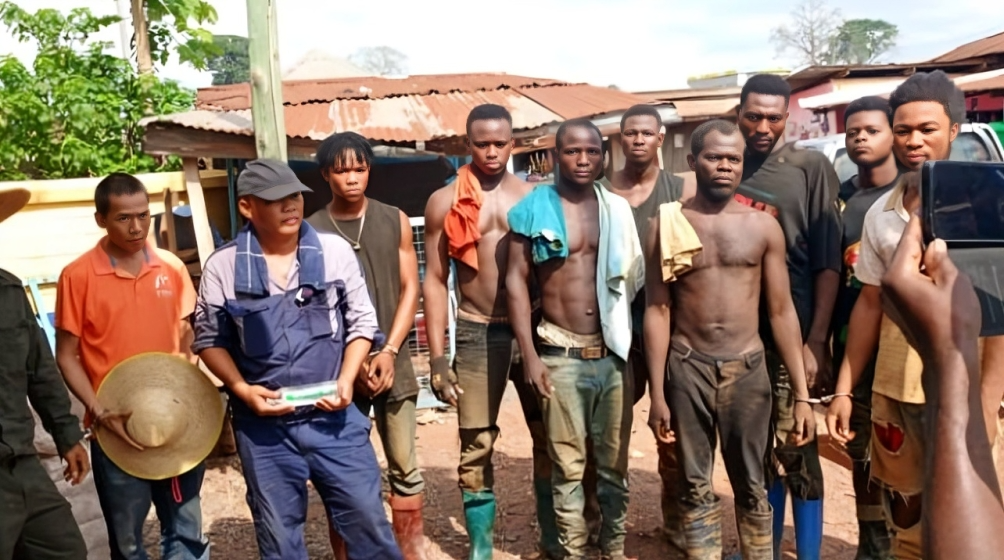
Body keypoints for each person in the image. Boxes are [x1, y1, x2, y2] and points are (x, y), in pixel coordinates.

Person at [825, 71, 1004, 559]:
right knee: (905, 513)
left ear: (955, 130)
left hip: (967, 382)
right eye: (902, 130)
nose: (913, 141)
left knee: (973, 501)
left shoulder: (989, 205)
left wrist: (987, 399)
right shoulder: (881, 213)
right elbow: (869, 300)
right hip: (896, 388)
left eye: (927, 128)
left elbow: (999, 310)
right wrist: (844, 387)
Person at [192, 159, 402, 560]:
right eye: (277, 200)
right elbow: (209, 341)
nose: (291, 206)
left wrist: (346, 378)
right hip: (264, 430)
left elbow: (361, 323)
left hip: (334, 419)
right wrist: (240, 389)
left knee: (367, 520)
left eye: (295, 197)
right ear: (248, 207)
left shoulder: (334, 252)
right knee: (279, 537)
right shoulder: (223, 266)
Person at [644, 119, 815, 560]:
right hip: (688, 367)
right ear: (692, 161)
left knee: (754, 483)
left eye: (733, 159)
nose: (724, 166)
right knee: (695, 483)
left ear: (743, 166)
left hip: (748, 370)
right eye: (714, 157)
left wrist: (801, 395)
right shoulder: (667, 225)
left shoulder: (763, 228)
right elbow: (658, 309)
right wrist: (658, 395)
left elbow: (781, 312)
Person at [422, 104, 557, 559]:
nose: (492, 151)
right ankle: (481, 546)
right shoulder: (445, 202)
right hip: (478, 330)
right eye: (482, 143)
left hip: (534, 330)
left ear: (513, 144)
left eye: (501, 143)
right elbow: (435, 281)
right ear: (468, 145)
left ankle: (552, 536)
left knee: (549, 435)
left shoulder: (536, 198)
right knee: (475, 443)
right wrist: (439, 359)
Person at [506, 118, 643, 560]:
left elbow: (634, 281)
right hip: (560, 354)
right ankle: (573, 552)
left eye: (591, 152)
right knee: (567, 468)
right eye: (572, 151)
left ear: (603, 155)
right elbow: (515, 281)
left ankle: (614, 548)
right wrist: (529, 355)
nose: (583, 160)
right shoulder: (532, 209)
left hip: (612, 353)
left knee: (614, 468)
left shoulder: (616, 209)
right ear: (554, 156)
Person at [55, 174, 210, 560]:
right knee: (127, 542)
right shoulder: (78, 276)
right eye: (124, 218)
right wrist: (99, 410)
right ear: (100, 219)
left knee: (186, 532)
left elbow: (186, 330)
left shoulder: (170, 268)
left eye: (143, 215)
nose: (137, 226)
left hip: (174, 423)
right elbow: (66, 355)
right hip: (114, 425)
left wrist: (183, 387)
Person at [733, 74, 842, 560]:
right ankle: (767, 550)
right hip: (737, 340)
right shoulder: (727, 165)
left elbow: (827, 260)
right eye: (753, 115)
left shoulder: (809, 167)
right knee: (753, 454)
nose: (763, 126)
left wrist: (816, 340)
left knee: (797, 447)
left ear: (786, 117)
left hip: (791, 333)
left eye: (774, 117)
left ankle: (811, 553)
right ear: (739, 112)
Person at [306, 132, 425, 560]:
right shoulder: (311, 230)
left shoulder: (394, 218)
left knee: (404, 466)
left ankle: (410, 550)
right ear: (326, 175)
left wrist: (390, 351)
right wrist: (351, 364)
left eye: (359, 169)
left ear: (369, 171)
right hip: (338, 368)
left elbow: (412, 286)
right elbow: (313, 308)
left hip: (395, 361)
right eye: (341, 171)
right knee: (342, 475)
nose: (352, 178)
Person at [878, 215, 1004, 560]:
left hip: (961, 398)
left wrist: (949, 359)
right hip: (908, 395)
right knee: (906, 505)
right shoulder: (881, 214)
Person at [602, 104, 690, 552]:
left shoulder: (680, 190)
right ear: (619, 138)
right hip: (608, 329)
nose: (637, 139)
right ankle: (604, 525)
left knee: (671, 431)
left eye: (646, 133)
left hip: (668, 325)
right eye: (629, 133)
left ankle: (676, 522)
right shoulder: (597, 192)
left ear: (660, 138)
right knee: (606, 432)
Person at [826, 96, 900, 560]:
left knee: (904, 454)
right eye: (853, 131)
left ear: (892, 134)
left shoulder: (908, 196)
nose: (860, 138)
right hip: (852, 343)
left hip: (902, 349)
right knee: (861, 454)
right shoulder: (840, 198)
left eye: (871, 130)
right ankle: (871, 546)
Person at [1, 185, 90, 560]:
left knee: (64, 549)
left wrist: (67, 435)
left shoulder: (7, 290)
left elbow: (40, 371)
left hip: (20, 464)